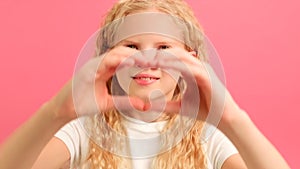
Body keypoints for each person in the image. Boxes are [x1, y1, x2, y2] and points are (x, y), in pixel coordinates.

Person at [0, 0, 291, 169]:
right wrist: (54, 112)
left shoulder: (208, 138)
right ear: (107, 58)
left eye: (163, 47)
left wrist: (233, 119)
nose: (146, 60)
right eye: (131, 46)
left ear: (190, 59)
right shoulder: (83, 131)